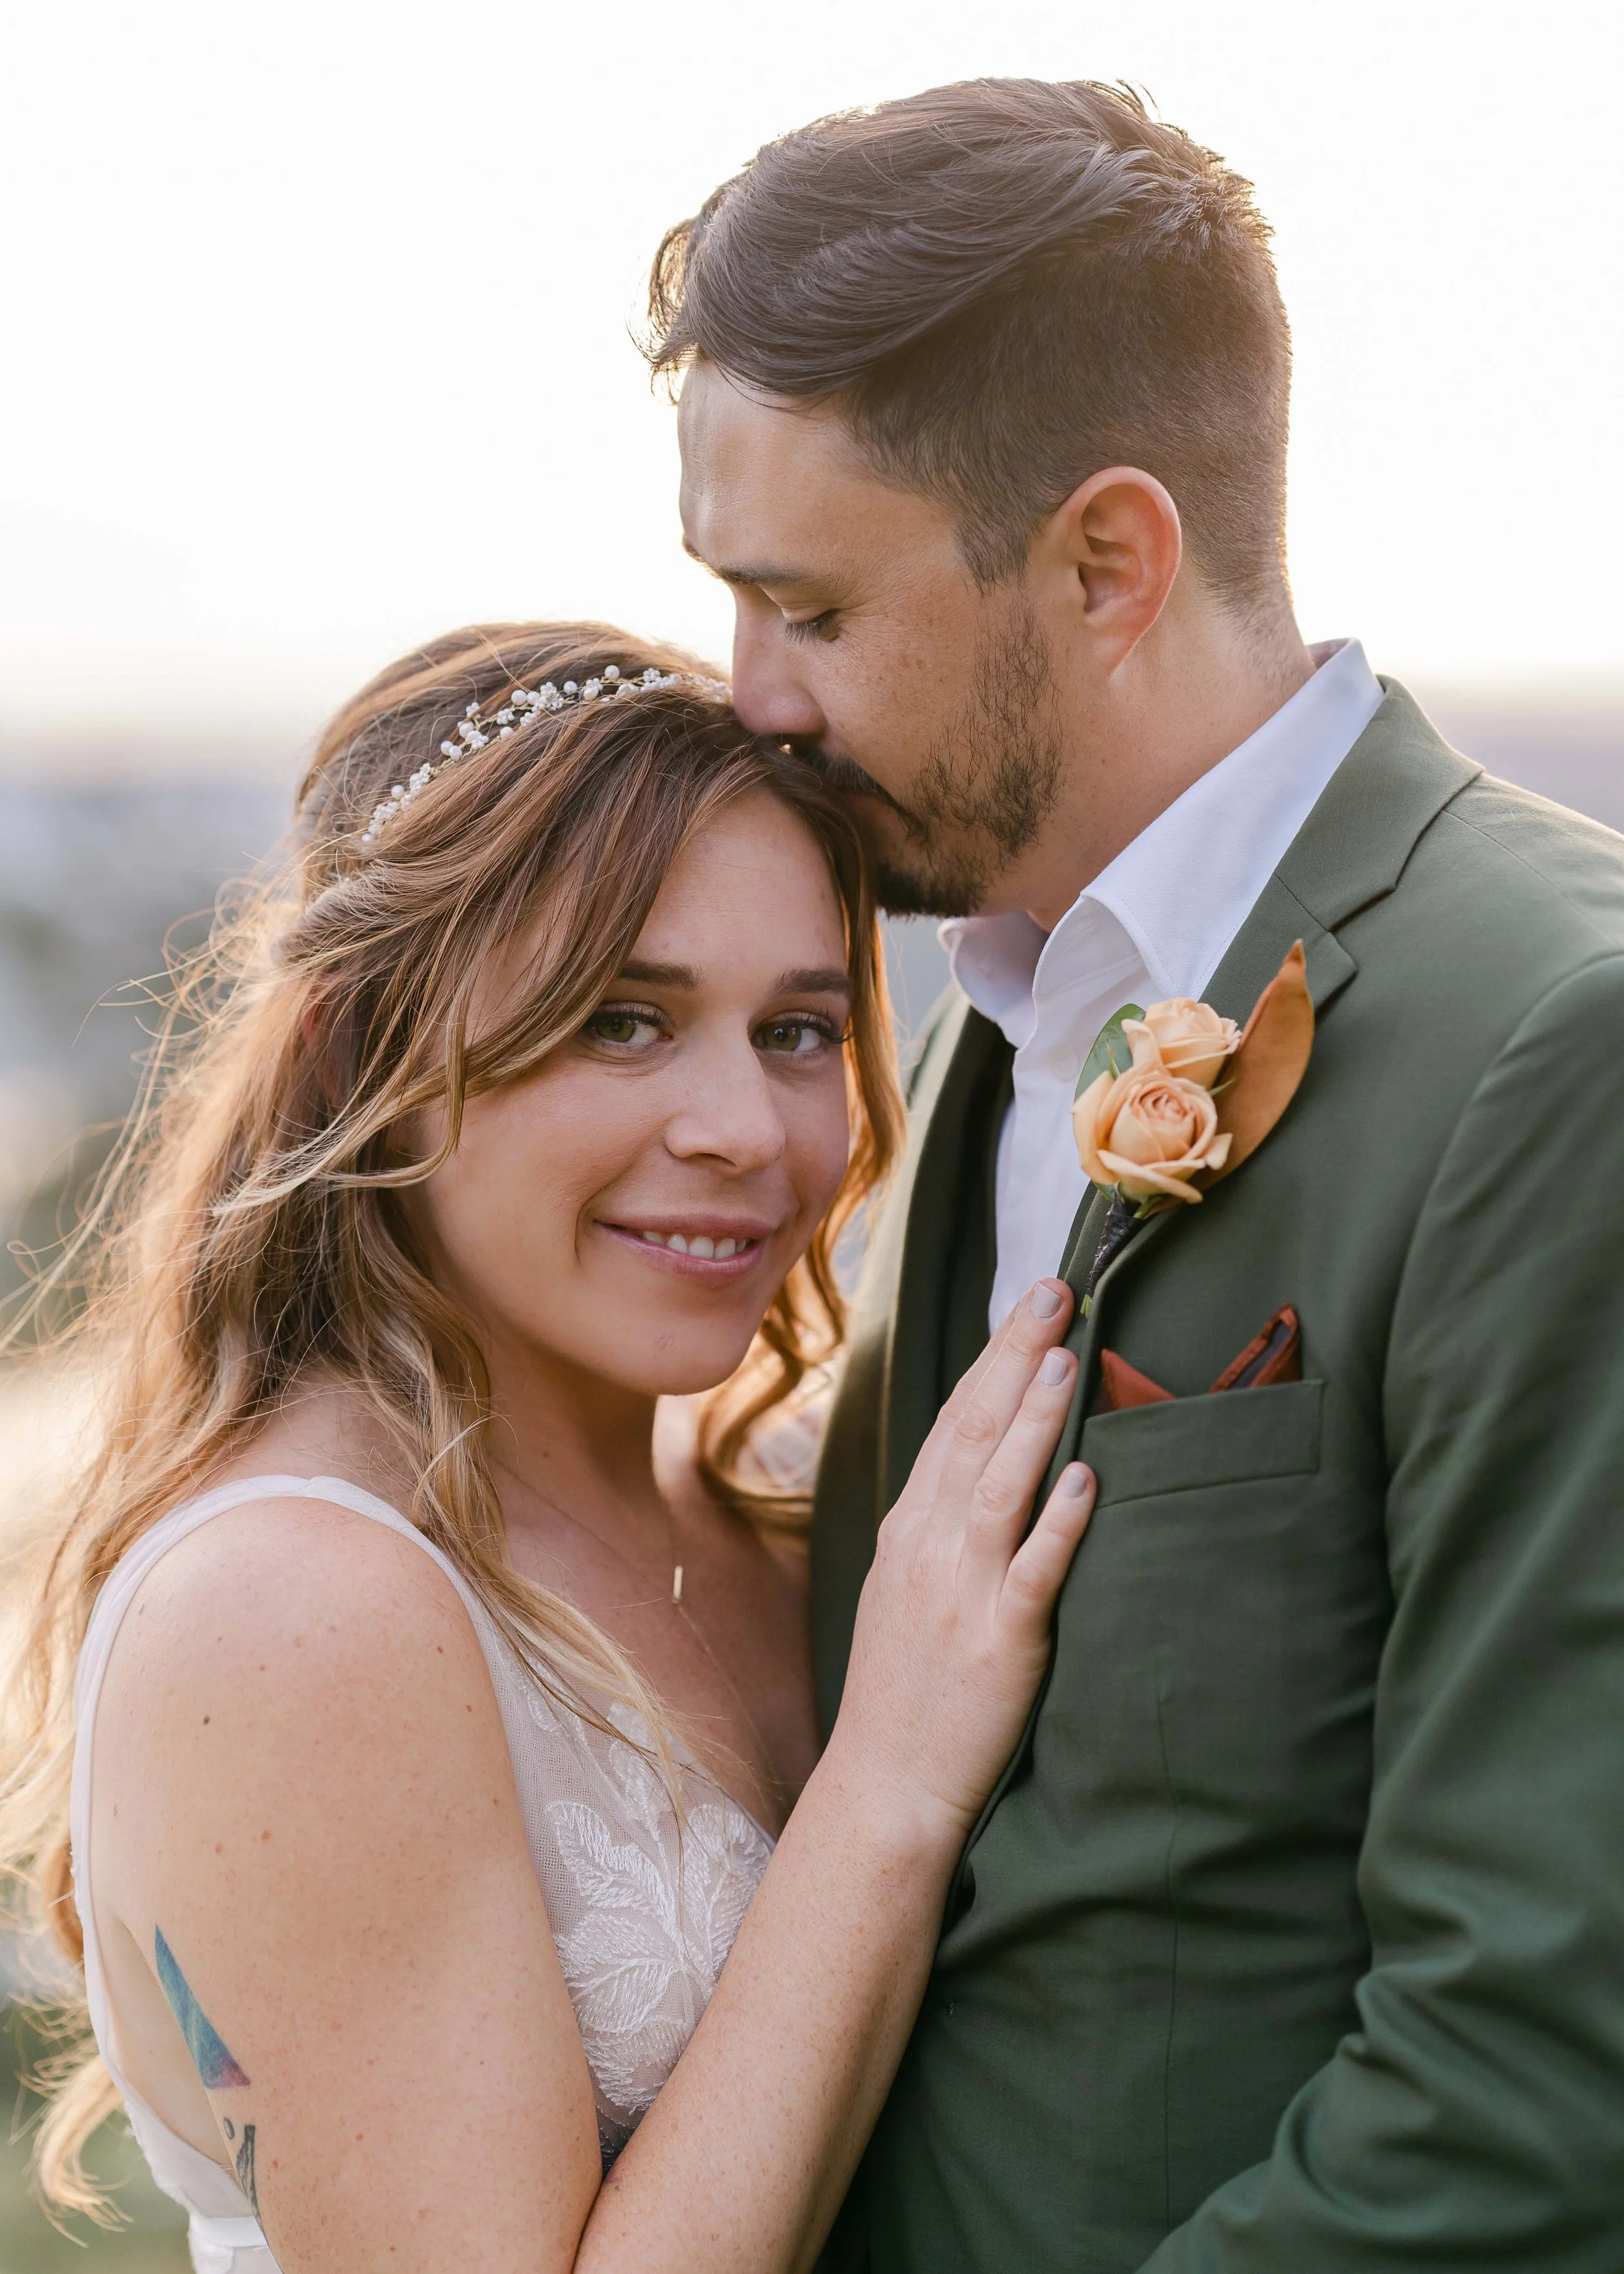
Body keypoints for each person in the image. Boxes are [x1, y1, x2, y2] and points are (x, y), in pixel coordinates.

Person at [657, 76, 1624, 2272]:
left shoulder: (1558, 1047)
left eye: (807, 608)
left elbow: (1539, 2079)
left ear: (1107, 560)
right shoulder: (984, 1018)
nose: (751, 700)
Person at [0, 620, 1100, 2273]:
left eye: (798, 1030)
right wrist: (886, 1781)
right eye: (621, 1021)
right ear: (355, 1056)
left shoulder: (798, 1496)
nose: (742, 1129)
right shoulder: (289, 1607)